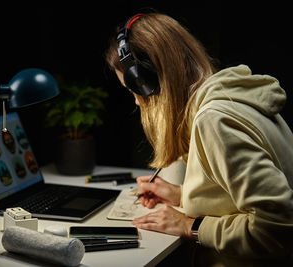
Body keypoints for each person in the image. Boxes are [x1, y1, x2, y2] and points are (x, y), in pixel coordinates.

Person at [105, 12, 293, 266]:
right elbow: (237, 195)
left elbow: (279, 227)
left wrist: (189, 225)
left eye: (134, 90)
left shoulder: (215, 121)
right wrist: (183, 195)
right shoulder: (232, 98)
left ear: (151, 81)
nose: (137, 101)